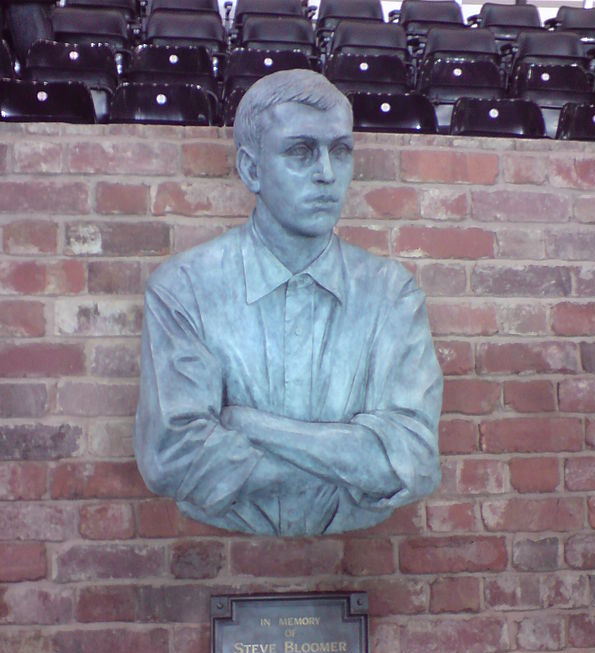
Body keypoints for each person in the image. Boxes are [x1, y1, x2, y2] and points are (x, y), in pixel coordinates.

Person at [134, 69, 442, 536]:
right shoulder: (184, 290)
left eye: (340, 151)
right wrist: (349, 458)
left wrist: (251, 427)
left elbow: (413, 459)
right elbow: (172, 456)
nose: (326, 174)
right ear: (251, 169)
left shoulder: (390, 294)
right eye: (300, 151)